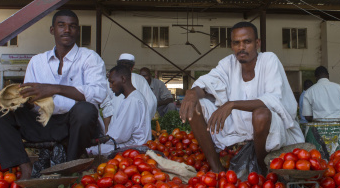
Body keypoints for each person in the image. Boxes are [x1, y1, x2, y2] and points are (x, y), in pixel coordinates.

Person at [0, 9, 107, 179]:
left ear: (77, 31)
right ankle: (24, 165)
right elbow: (30, 100)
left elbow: (99, 93)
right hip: (42, 123)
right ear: (52, 30)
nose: (67, 30)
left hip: (75, 126)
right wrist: (22, 98)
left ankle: (70, 168)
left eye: (72, 26)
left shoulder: (89, 58)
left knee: (86, 109)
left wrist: (55, 88)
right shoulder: (37, 61)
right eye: (61, 25)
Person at [180, 21, 304, 173]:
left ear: (257, 43)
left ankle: (262, 168)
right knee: (195, 105)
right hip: (237, 128)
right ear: (232, 46)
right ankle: (217, 169)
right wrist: (192, 93)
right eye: (236, 43)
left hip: (272, 128)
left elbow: (273, 100)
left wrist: (232, 104)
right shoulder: (228, 63)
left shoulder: (269, 60)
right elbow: (207, 83)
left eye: (247, 42)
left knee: (261, 114)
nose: (241, 47)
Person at [89, 65, 150, 156]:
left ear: (123, 79)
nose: (110, 86)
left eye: (112, 82)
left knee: (90, 150)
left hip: (133, 147)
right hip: (131, 144)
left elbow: (119, 136)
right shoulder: (133, 97)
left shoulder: (132, 100)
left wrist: (98, 140)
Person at [101, 53, 156, 132]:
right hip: (136, 131)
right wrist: (143, 122)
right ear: (133, 67)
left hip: (115, 129)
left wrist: (106, 130)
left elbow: (107, 108)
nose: (111, 86)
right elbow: (151, 103)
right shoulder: (141, 79)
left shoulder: (110, 80)